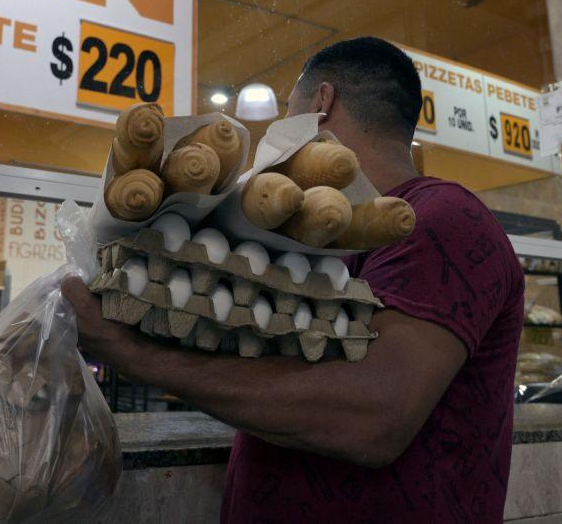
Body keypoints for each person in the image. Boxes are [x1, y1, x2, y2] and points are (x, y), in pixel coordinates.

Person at [62, 37, 524, 522]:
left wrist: (134, 355)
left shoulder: (442, 219)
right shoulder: (320, 240)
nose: (280, 132)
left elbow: (372, 417)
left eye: (288, 111)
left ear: (321, 104)